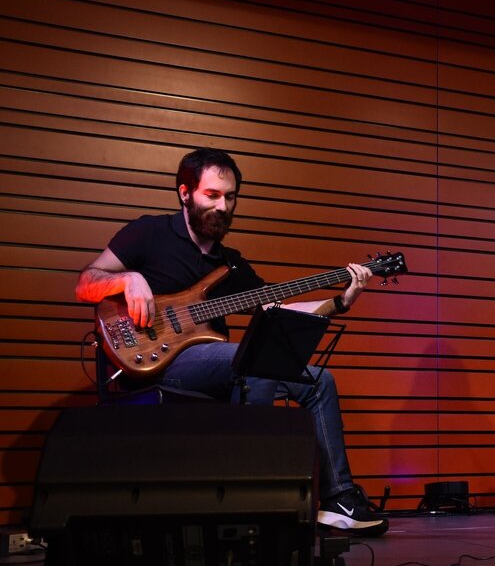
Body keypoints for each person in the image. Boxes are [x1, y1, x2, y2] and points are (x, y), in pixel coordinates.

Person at [75, 147, 388, 536]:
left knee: (319, 380)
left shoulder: (231, 265)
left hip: (215, 365)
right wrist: (126, 279)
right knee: (251, 359)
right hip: (157, 366)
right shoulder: (149, 233)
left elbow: (279, 309)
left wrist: (340, 301)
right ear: (185, 193)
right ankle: (252, 491)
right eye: (212, 195)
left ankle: (339, 498)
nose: (223, 206)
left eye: (231, 197)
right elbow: (86, 283)